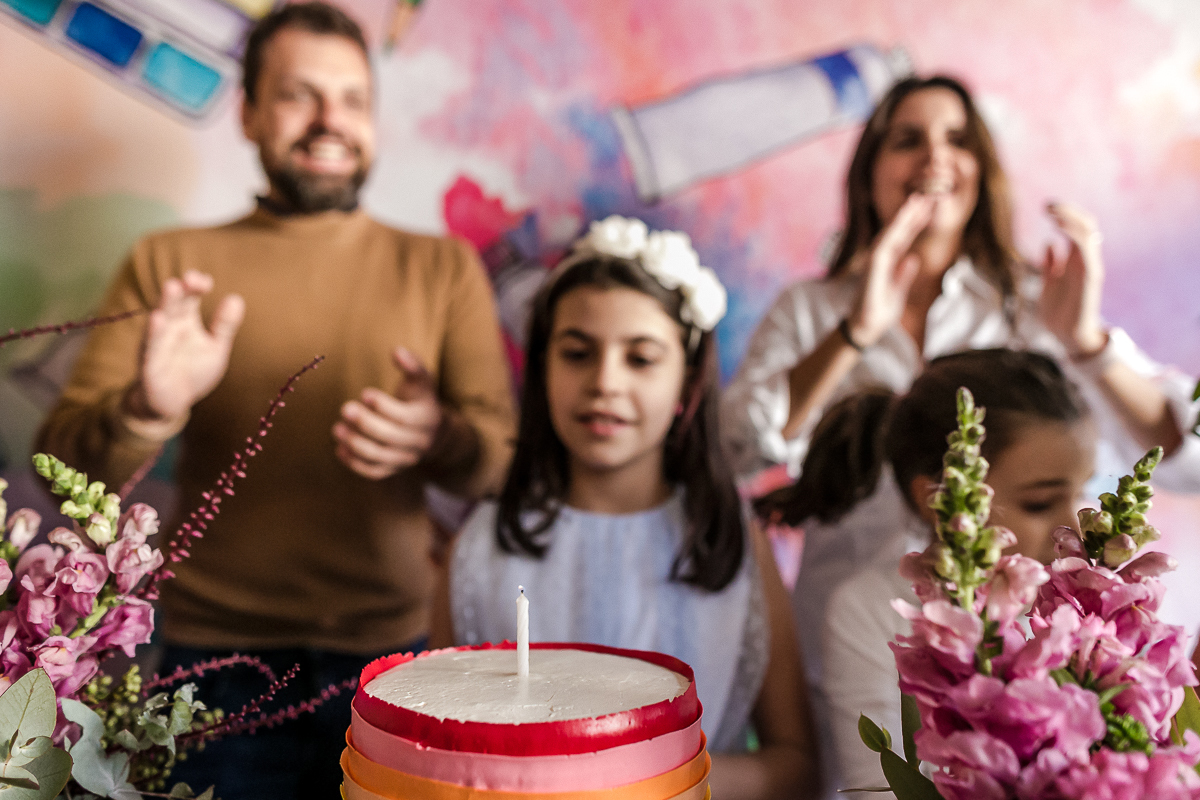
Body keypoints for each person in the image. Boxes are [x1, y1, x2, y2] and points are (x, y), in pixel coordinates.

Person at [35, 3, 516, 798]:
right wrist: (148, 411)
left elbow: (499, 468)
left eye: (354, 99)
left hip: (391, 664)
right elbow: (64, 466)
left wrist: (442, 436)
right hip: (210, 665)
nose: (332, 121)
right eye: (300, 95)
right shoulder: (172, 263)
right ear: (250, 113)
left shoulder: (441, 269)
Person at [430, 216, 819, 800]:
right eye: (578, 353)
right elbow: (439, 760)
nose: (605, 382)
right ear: (542, 368)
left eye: (640, 359)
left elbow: (796, 766)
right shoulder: (481, 552)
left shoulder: (732, 546)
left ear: (686, 383)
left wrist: (665, 783)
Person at [720, 75, 1200, 491]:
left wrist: (1085, 344)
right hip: (852, 595)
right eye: (908, 140)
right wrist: (853, 334)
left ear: (982, 170)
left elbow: (1188, 463)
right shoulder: (808, 309)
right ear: (868, 177)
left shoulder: (1035, 305)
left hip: (1005, 594)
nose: (935, 156)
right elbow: (735, 452)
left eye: (957, 140)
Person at [756, 349, 1096, 796]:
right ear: (939, 501)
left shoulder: (1088, 606)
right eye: (1039, 503)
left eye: (1083, 492)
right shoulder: (873, 610)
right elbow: (877, 788)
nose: (1075, 528)